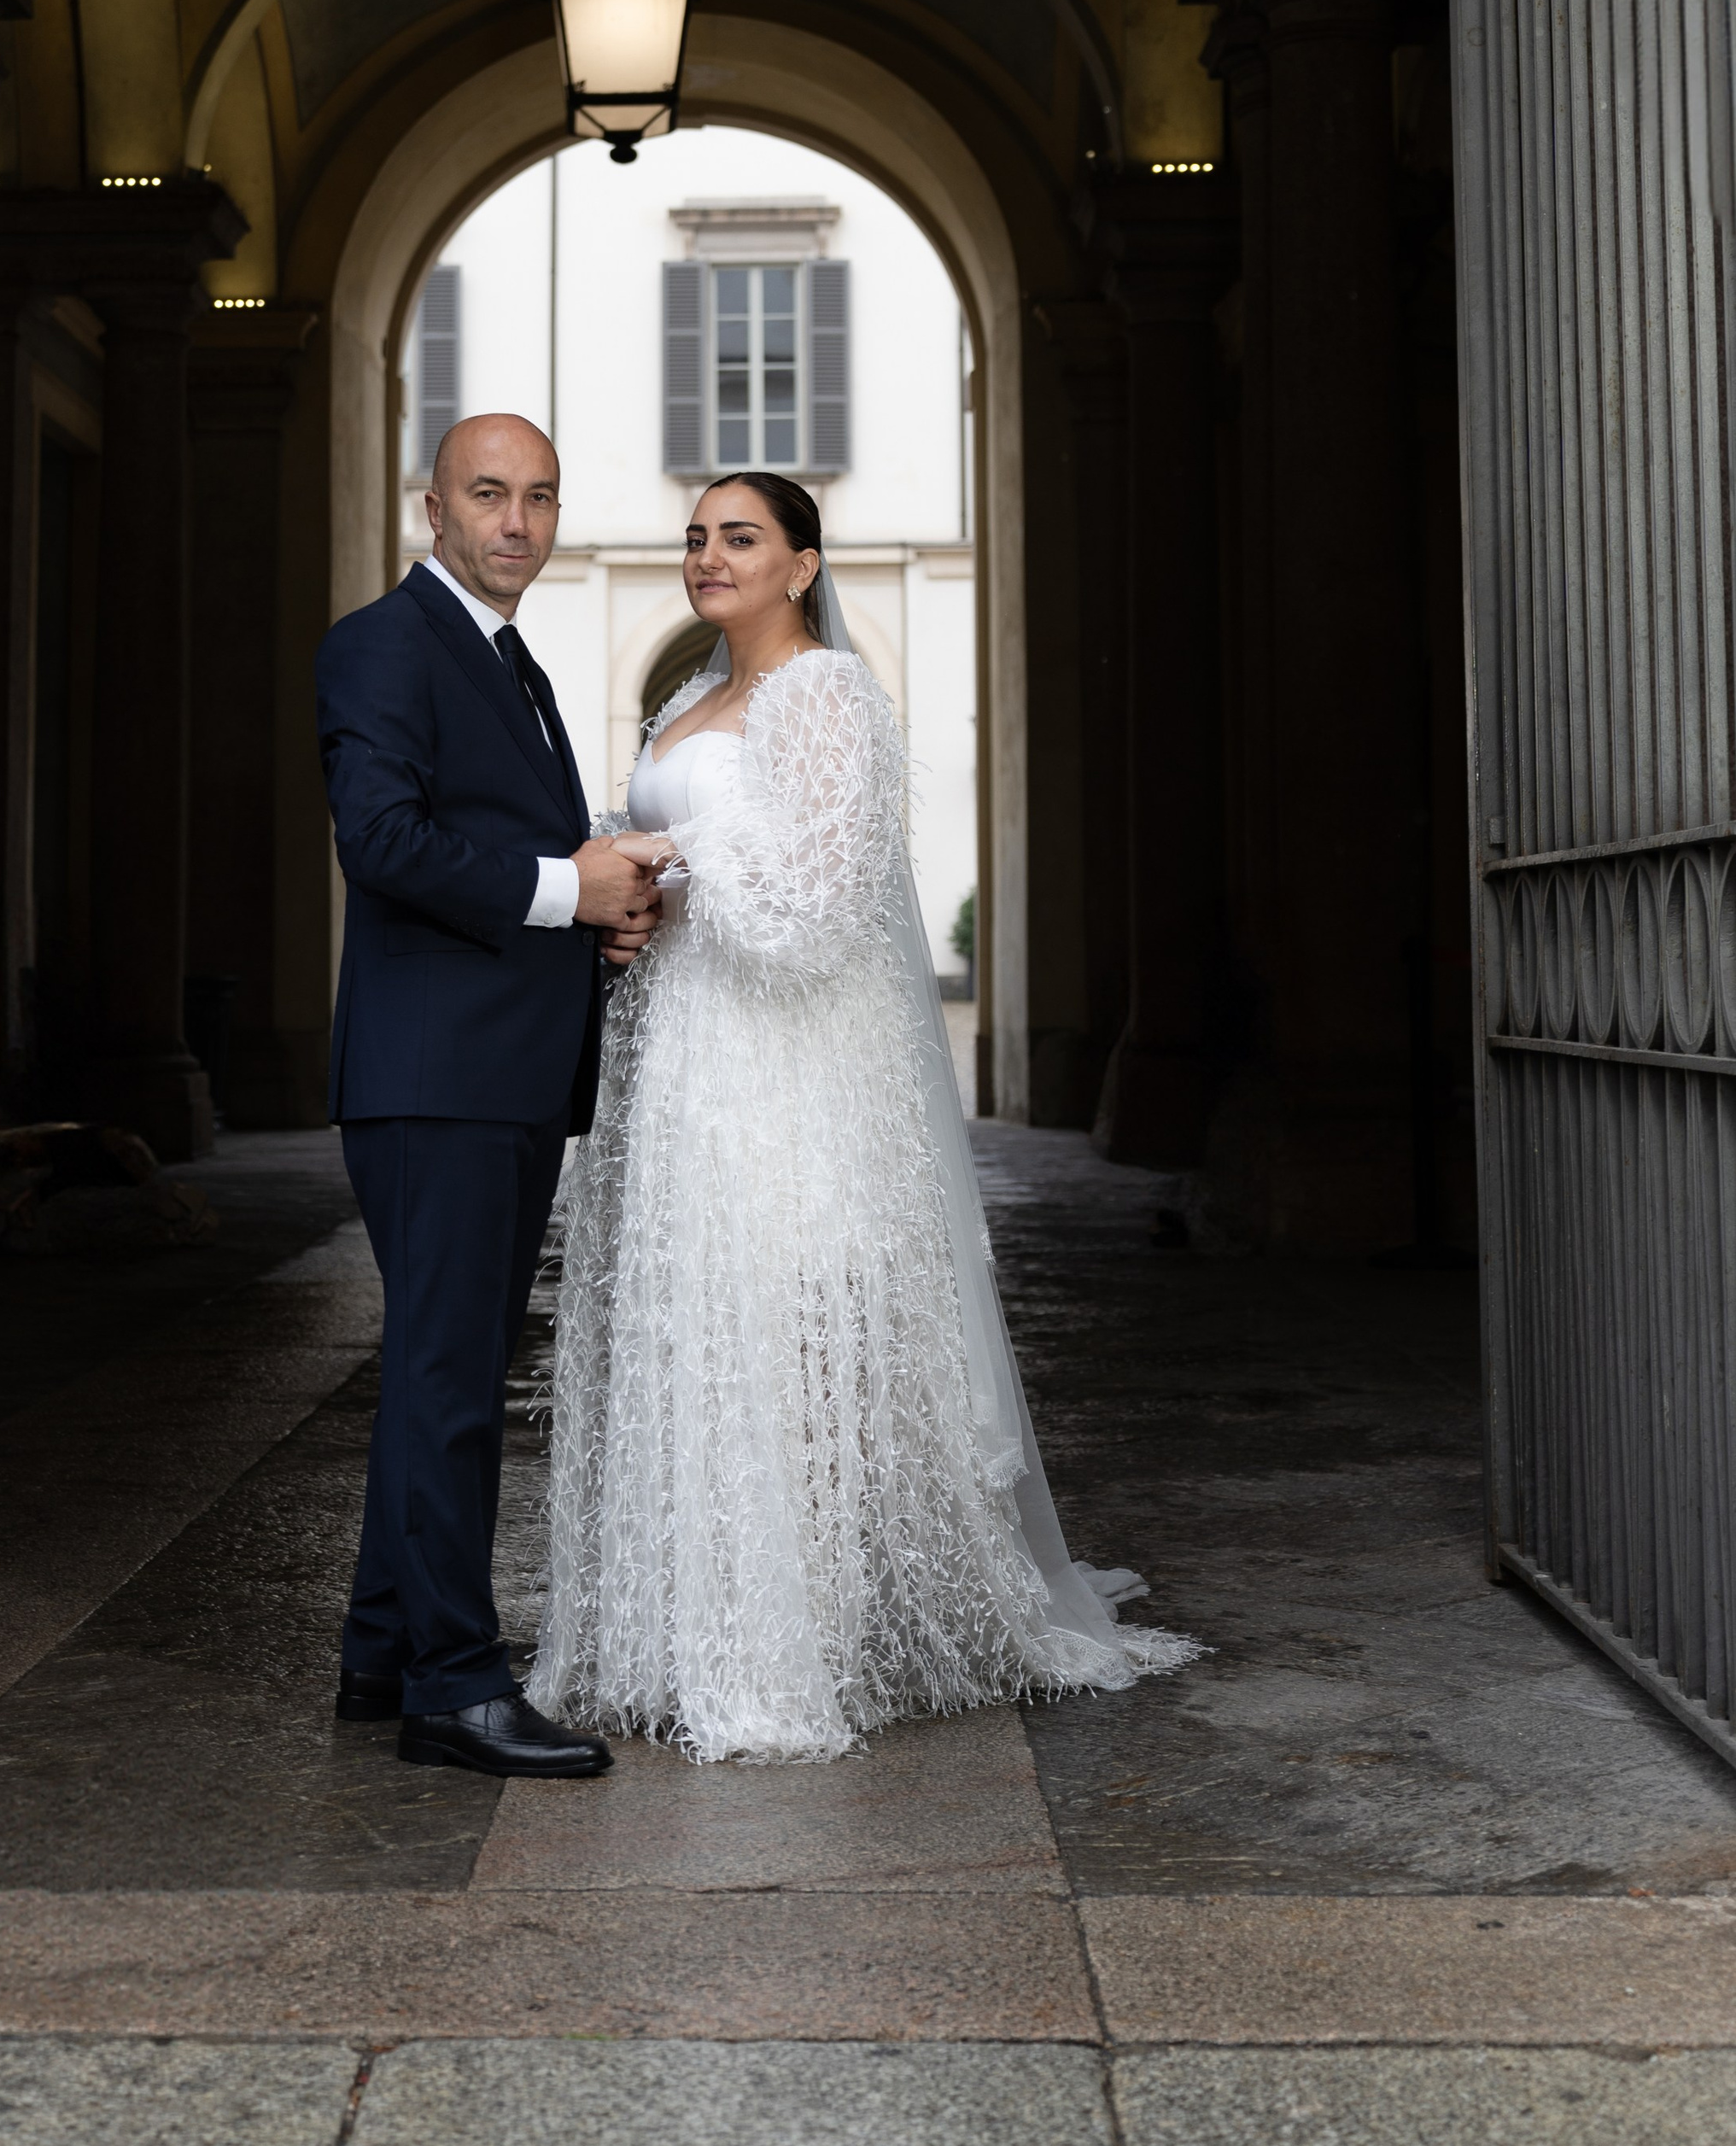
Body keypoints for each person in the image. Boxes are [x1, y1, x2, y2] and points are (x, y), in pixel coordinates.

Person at [534, 471, 1201, 1763]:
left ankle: (793, 1645)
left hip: (785, 1072)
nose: (709, 556)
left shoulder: (827, 692)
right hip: (680, 1065)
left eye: (742, 537)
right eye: (696, 538)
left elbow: (819, 900)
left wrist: (672, 862)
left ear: (801, 564)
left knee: (785, 1335)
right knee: (694, 1324)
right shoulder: (686, 704)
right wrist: (622, 887)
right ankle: (681, 1631)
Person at [315, 412, 658, 1779]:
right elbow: (382, 840)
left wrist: (598, 904)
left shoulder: (503, 657)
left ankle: (382, 1650)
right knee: (451, 1380)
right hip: (435, 1075)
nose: (517, 521)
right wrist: (568, 888)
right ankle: (456, 1685)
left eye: (540, 497)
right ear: (431, 506)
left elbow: (504, 838)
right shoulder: (384, 643)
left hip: (493, 1070)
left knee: (436, 1371)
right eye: (489, 494)